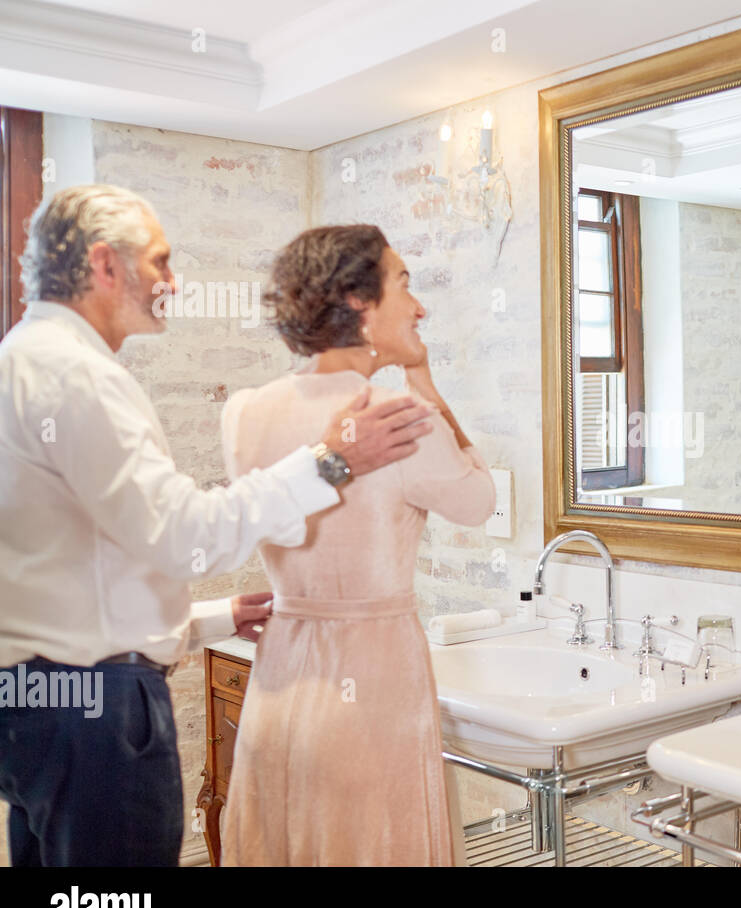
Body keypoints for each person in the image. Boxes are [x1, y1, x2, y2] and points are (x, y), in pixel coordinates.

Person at [0, 185, 434, 866]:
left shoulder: (19, 362)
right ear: (105, 264)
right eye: (161, 263)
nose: (174, 282)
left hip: (35, 704)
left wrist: (210, 619)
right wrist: (329, 463)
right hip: (95, 719)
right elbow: (183, 535)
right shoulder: (77, 377)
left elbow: (72, 568)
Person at [219, 225, 494, 866]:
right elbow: (479, 500)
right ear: (357, 300)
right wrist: (423, 379)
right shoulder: (397, 416)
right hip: (373, 687)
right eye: (404, 283)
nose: (419, 307)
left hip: (282, 678)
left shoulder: (246, 412)